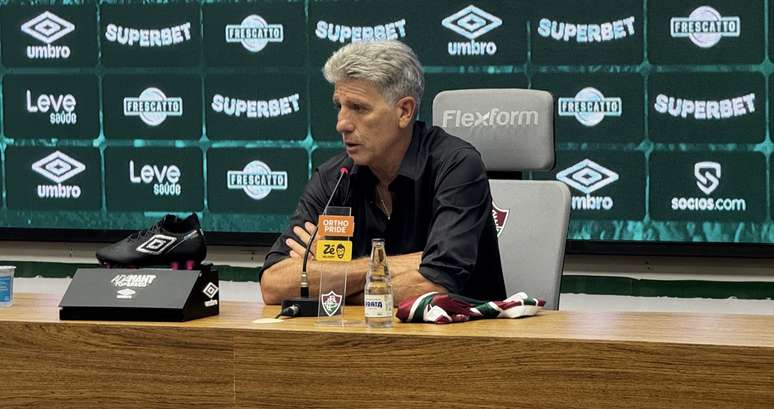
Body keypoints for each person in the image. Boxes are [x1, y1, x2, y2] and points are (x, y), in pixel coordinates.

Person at [260, 40, 505, 305]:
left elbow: (433, 285)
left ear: (404, 111)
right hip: (361, 338)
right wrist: (400, 265)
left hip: (461, 339)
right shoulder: (335, 177)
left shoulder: (457, 166)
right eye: (338, 106)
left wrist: (325, 278)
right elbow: (273, 285)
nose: (341, 123)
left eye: (358, 108)